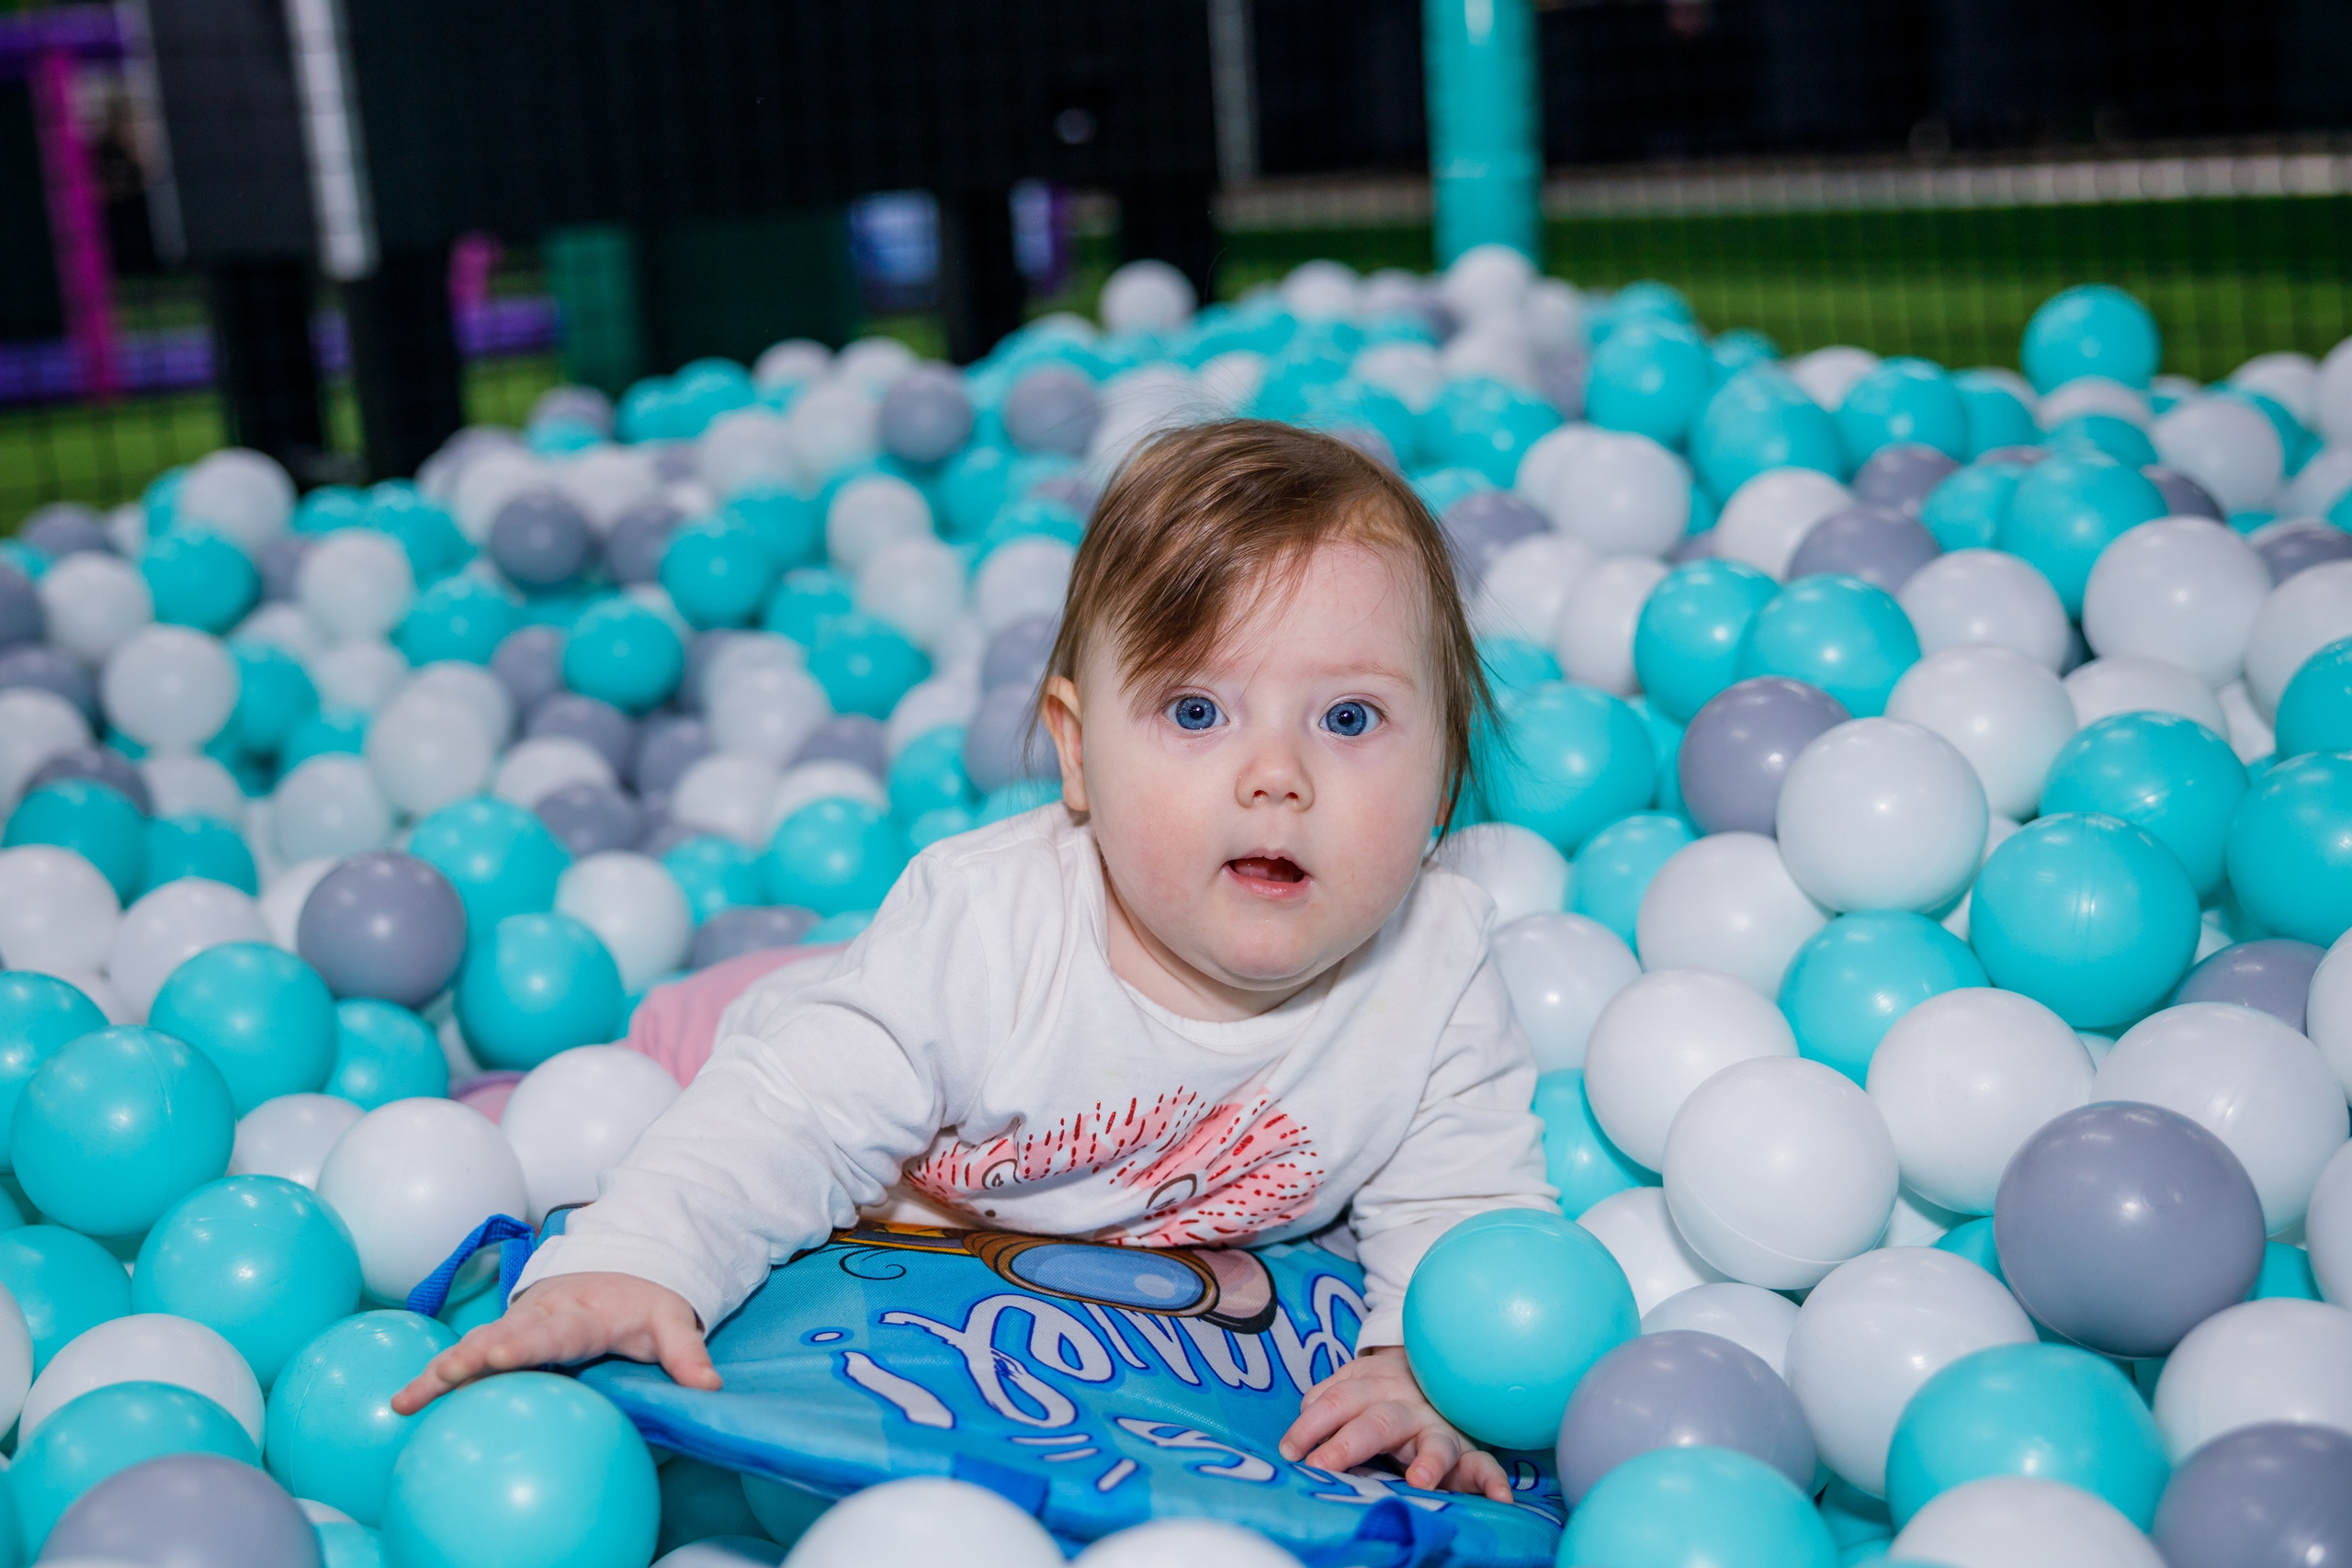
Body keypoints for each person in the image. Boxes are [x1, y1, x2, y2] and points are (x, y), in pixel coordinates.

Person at [394, 420, 1555, 1500]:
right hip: (811, 1068)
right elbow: (789, 1116)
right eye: (1196, 713)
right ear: (1079, 755)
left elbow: (1466, 1201)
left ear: (1443, 788)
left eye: (1348, 720)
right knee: (673, 1060)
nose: (1275, 774)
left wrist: (1421, 1364)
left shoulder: (1436, 968)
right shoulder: (987, 935)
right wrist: (639, 1261)